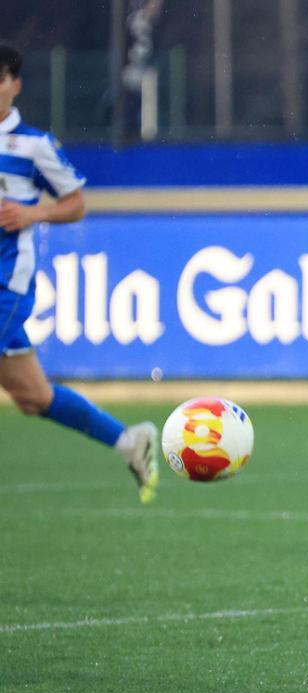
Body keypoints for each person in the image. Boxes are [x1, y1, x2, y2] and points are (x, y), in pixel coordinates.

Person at [0, 44, 157, 502]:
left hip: (6, 281)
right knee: (32, 396)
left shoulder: (33, 145)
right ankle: (129, 440)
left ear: (15, 85)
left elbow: (76, 203)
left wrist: (33, 215)